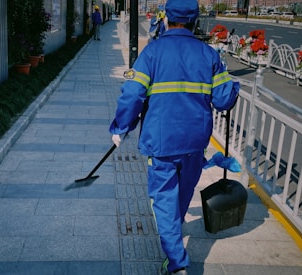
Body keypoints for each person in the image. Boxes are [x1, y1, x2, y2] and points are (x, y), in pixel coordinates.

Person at [109, 0, 240, 274]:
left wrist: (121, 128)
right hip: (195, 142)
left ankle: (177, 263)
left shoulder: (153, 52)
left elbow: (133, 94)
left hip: (162, 143)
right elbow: (225, 100)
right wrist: (233, 83)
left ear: (166, 19)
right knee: (180, 198)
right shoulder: (209, 54)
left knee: (165, 200)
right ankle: (173, 246)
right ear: (195, 22)